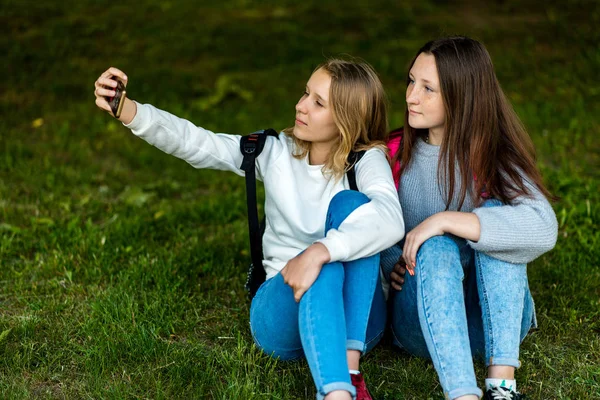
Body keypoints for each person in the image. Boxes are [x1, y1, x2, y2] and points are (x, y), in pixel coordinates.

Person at [94, 59, 404, 400]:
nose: (300, 106)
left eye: (318, 103)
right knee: (324, 267)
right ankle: (339, 392)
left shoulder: (365, 160)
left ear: (348, 118)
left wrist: (319, 251)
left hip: (353, 322)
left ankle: (345, 374)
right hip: (282, 311)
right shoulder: (273, 152)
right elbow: (200, 143)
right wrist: (129, 110)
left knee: (350, 211)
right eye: (305, 93)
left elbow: (389, 217)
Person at [380, 36, 558, 400]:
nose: (411, 96)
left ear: (463, 96)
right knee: (437, 245)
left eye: (428, 88)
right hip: (422, 324)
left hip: (492, 325)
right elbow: (366, 223)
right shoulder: (394, 154)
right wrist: (389, 260)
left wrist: (445, 219)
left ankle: (501, 384)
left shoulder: (493, 156)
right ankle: (462, 392)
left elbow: (543, 227)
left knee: (495, 218)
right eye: (411, 81)